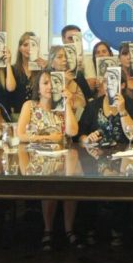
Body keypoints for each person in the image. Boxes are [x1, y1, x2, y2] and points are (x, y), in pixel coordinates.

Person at [16, 70, 79, 251]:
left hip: (62, 157)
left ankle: (69, 230)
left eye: (53, 82)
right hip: (37, 157)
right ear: (38, 87)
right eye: (45, 83)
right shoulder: (30, 106)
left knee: (71, 183)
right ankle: (48, 230)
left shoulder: (61, 108)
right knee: (49, 181)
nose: (50, 87)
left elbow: (72, 132)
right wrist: (46, 138)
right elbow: (20, 135)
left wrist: (67, 105)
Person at [9, 32, 46, 114]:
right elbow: (10, 90)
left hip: (38, 114)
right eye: (25, 45)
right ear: (20, 48)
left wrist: (45, 69)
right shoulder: (13, 69)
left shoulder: (41, 69)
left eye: (32, 45)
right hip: (18, 114)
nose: (29, 48)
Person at [46, 45, 85, 113]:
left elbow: (82, 104)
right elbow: (50, 105)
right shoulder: (45, 80)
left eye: (65, 57)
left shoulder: (73, 80)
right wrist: (64, 83)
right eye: (59, 57)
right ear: (52, 63)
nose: (64, 59)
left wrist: (72, 96)